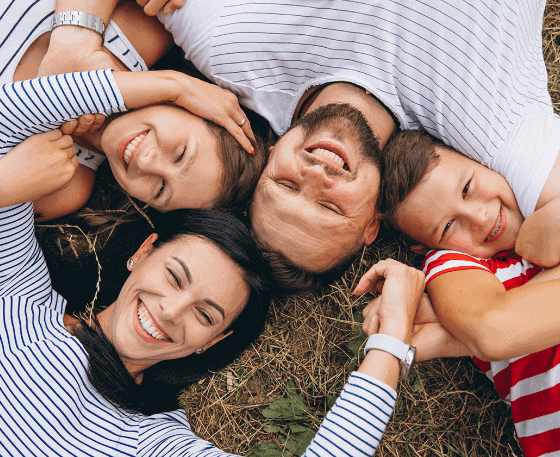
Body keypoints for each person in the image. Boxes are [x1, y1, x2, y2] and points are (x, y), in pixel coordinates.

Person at [1, 73, 429, 455]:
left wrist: (391, 337)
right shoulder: (20, 299)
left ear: (211, 341)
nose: (170, 311)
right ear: (143, 252)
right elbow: (12, 115)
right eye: (173, 276)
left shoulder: (148, 441)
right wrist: (176, 87)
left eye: (205, 314)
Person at [44, 0, 560, 289]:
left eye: (286, 183)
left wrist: (75, 37)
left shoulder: (227, 47)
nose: (316, 175)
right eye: (330, 207)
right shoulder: (495, 130)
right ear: (371, 225)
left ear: (265, 157)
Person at [367, 129, 560, 456]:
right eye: (446, 227)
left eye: (468, 188)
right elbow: (493, 328)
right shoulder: (453, 262)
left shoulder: (542, 185)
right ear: (424, 246)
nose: (479, 218)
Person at [1, 0, 263, 221]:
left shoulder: (65, 185)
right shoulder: (143, 32)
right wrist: (176, 85)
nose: (148, 163)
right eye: (181, 153)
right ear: (197, 108)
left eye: (160, 189)